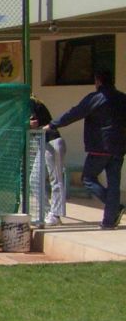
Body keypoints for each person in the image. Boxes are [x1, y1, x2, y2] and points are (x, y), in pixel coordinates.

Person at [45, 68, 126, 230]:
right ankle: (109, 222)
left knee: (88, 179)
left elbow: (74, 113)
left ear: (98, 81)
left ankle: (115, 207)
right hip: (119, 148)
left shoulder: (95, 98)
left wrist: (53, 124)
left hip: (99, 147)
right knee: (114, 184)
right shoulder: (123, 98)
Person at [28, 95, 67, 225]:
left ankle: (55, 214)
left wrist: (25, 124)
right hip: (43, 144)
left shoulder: (31, 103)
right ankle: (48, 212)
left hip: (52, 142)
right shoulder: (27, 104)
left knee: (56, 179)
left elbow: (33, 123)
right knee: (34, 179)